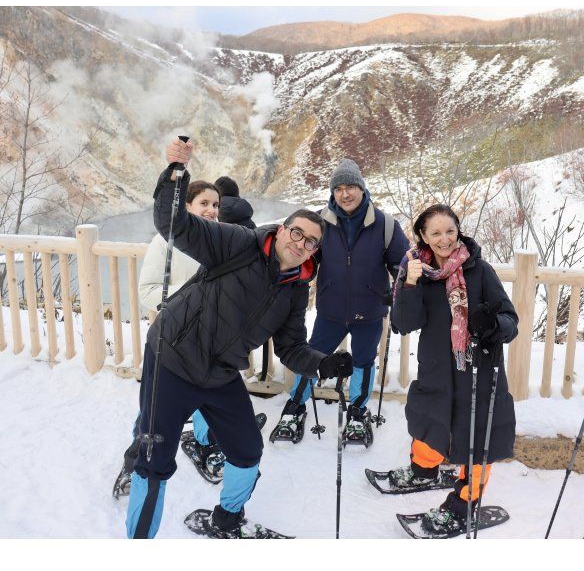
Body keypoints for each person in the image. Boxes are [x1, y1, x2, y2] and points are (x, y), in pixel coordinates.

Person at [126, 138, 353, 539]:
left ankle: (227, 519)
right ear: (282, 229)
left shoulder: (297, 288)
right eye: (296, 233)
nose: (300, 244)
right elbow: (174, 224)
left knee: (248, 451)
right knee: (153, 461)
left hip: (220, 372)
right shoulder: (238, 242)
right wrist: (176, 174)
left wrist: (323, 363)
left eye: (310, 242)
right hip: (173, 357)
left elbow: (289, 347)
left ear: (315, 251)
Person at [111, 181, 264, 499]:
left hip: (212, 348)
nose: (211, 210)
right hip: (173, 344)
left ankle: (207, 446)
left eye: (215, 205)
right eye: (204, 203)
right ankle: (134, 463)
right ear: (187, 208)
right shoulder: (166, 240)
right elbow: (147, 290)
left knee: (209, 405)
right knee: (153, 416)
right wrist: (188, 306)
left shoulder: (225, 240)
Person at [388, 204, 518, 537]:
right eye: (435, 233)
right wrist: (411, 284)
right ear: (423, 237)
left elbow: (510, 320)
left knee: (477, 438)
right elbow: (404, 323)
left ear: (458, 230)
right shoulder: (417, 273)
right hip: (436, 372)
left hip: (479, 372)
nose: (445, 239)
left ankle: (465, 504)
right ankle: (423, 470)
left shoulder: (480, 271)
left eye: (450, 231)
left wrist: (492, 324)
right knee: (430, 424)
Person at [269, 158, 408, 447]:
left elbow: (403, 266)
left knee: (364, 362)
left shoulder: (385, 225)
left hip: (369, 311)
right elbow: (303, 259)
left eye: (351, 187)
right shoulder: (320, 223)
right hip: (330, 311)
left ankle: (358, 412)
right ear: (333, 192)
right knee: (312, 357)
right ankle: (295, 407)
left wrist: (400, 294)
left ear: (362, 188)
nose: (345, 194)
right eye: (339, 188)